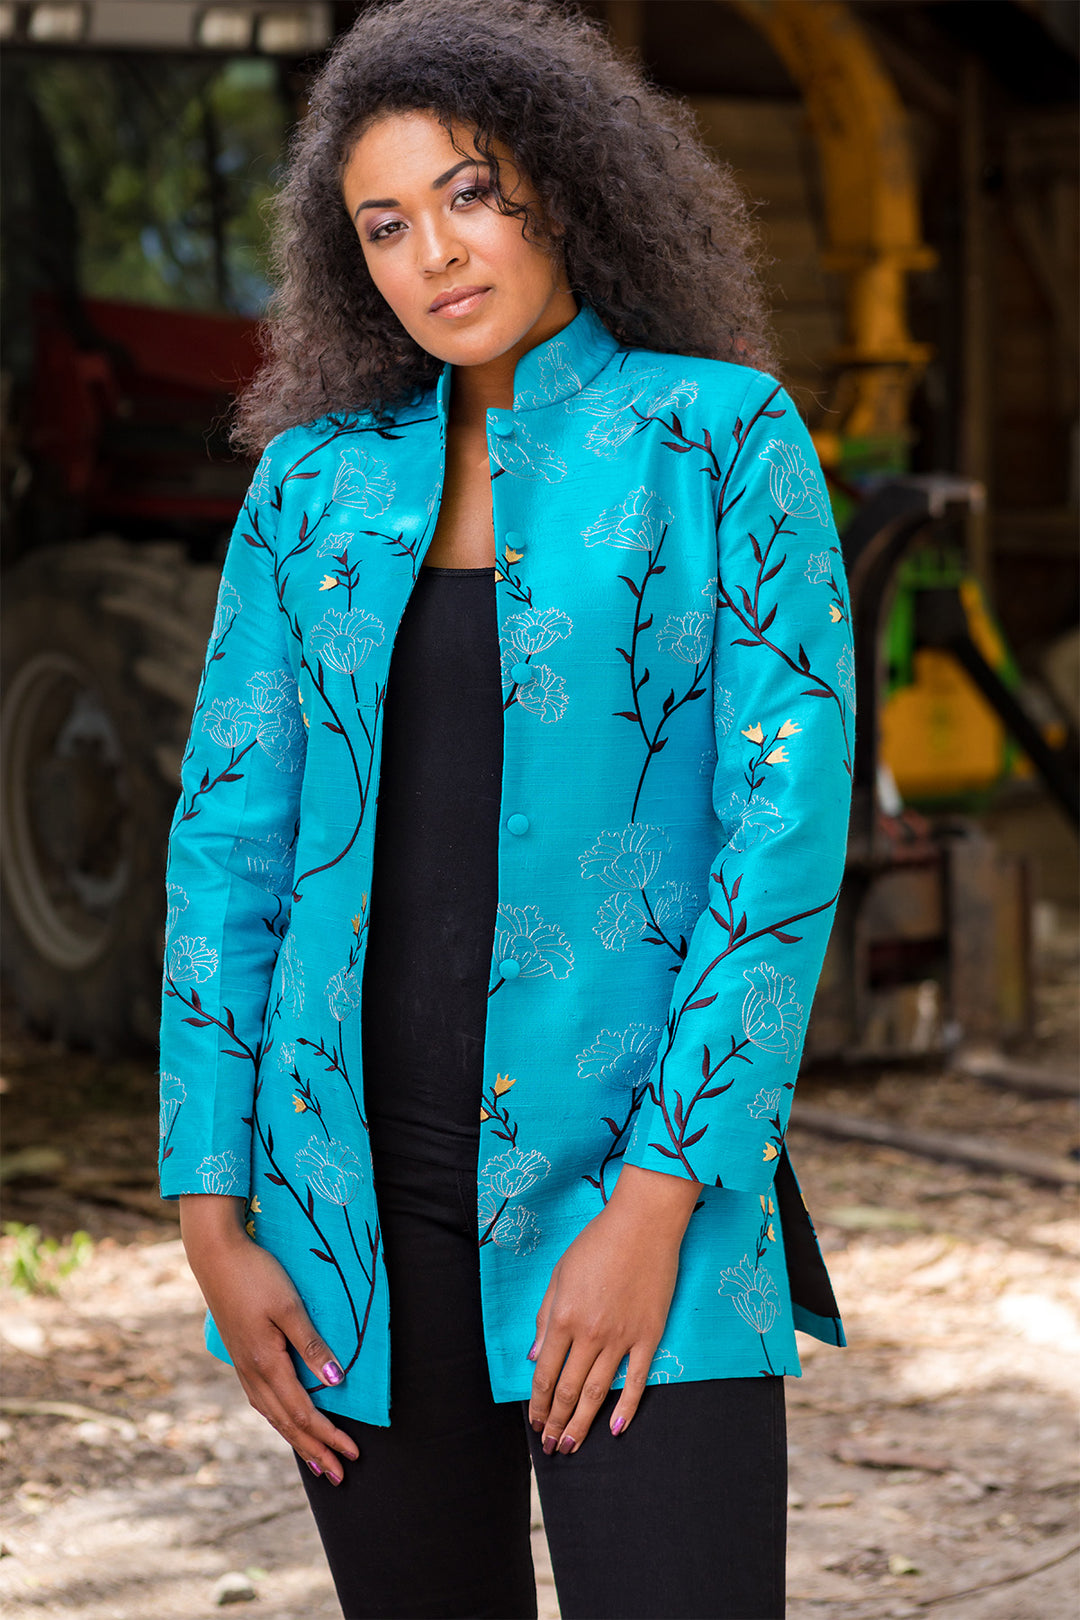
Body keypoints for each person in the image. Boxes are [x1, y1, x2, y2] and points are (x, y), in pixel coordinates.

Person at [158, 1, 854, 1615]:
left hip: (636, 1196)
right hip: (351, 1229)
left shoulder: (721, 439)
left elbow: (782, 844)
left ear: (567, 185)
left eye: (469, 193)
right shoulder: (310, 487)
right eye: (383, 225)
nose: (431, 254)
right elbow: (228, 851)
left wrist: (659, 1206)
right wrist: (213, 1214)